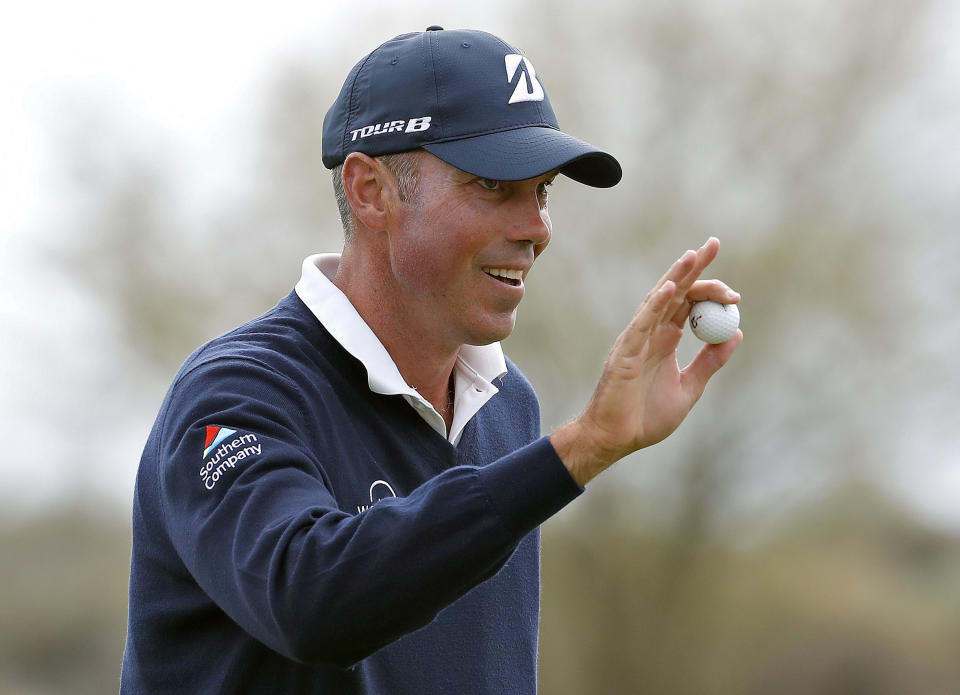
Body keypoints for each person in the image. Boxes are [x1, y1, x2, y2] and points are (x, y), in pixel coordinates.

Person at [120, 26, 742, 694]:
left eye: (543, 191)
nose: (535, 226)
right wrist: (582, 447)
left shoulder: (508, 406)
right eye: (493, 185)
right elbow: (309, 601)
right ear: (370, 191)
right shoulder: (235, 395)